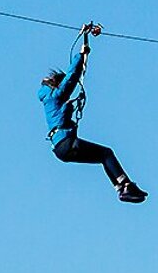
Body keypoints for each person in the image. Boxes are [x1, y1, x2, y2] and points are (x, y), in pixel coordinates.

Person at [39, 26, 147, 203]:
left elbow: (65, 99)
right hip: (66, 144)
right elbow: (71, 78)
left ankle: (122, 188)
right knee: (106, 153)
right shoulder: (55, 96)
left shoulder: (51, 101)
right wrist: (81, 56)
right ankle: (125, 186)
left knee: (102, 156)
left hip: (61, 149)